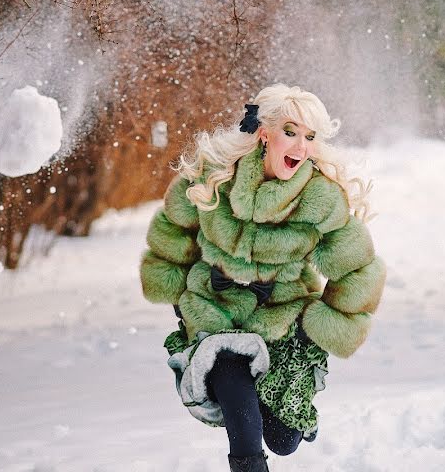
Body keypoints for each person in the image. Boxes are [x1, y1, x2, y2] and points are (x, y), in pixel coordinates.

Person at [139, 84, 386, 471]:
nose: (300, 147)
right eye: (290, 132)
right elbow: (172, 230)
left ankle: (274, 414)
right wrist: (176, 297)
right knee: (238, 405)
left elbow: (360, 269)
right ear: (264, 132)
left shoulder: (319, 197)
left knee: (283, 439)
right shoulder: (215, 175)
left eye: (309, 137)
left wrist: (319, 325)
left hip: (282, 321)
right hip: (214, 309)